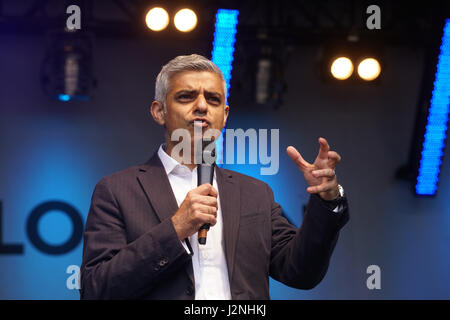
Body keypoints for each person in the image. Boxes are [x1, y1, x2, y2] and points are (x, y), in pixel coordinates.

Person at [80, 54, 349, 300]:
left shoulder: (256, 193)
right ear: (159, 111)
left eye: (213, 99)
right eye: (186, 97)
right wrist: (175, 229)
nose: (201, 106)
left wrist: (327, 200)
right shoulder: (117, 191)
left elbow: (301, 273)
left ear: (224, 114)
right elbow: (96, 289)